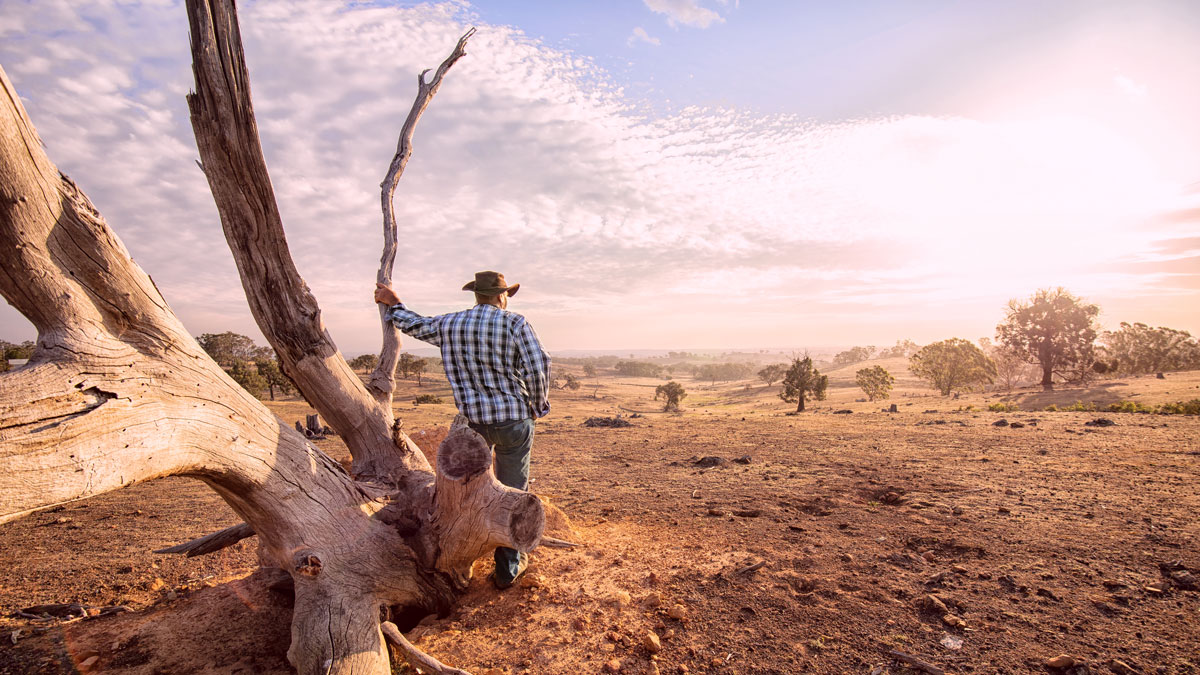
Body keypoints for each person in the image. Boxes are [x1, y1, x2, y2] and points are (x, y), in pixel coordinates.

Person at [374, 270, 550, 589]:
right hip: (514, 421)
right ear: (501, 296)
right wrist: (537, 407)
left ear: (476, 295)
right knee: (513, 488)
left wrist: (394, 303)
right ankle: (509, 568)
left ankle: (460, 552)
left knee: (472, 491)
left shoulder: (451, 323)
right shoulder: (515, 323)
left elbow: (413, 324)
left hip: (474, 425)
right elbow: (540, 366)